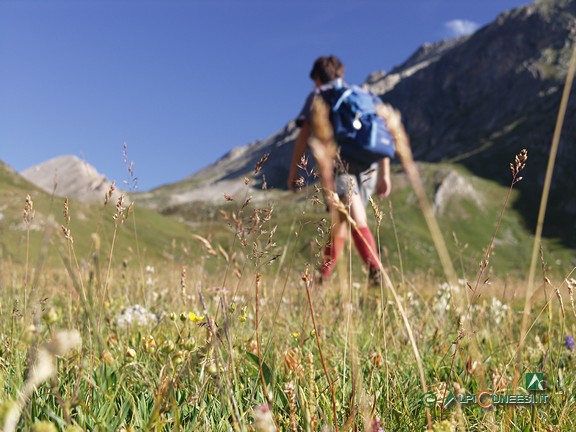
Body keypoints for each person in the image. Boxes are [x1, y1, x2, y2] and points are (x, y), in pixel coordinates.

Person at [287, 55, 392, 284]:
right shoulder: (363, 95)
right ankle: (321, 278)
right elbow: (383, 131)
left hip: (340, 166)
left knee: (354, 218)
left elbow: (303, 137)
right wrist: (385, 174)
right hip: (369, 167)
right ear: (341, 73)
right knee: (340, 225)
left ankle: (376, 273)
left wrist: (294, 173)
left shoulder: (319, 95)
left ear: (316, 78)